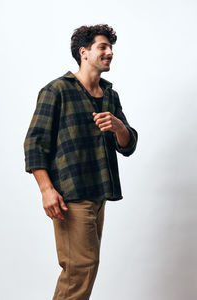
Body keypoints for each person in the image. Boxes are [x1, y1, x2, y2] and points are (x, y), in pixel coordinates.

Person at [23, 24, 138, 300]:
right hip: (70, 196)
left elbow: (129, 144)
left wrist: (118, 126)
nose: (110, 52)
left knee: (85, 269)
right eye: (103, 47)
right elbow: (34, 143)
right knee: (79, 269)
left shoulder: (110, 95)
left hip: (99, 194)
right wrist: (46, 190)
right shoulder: (57, 90)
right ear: (84, 52)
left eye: (111, 48)